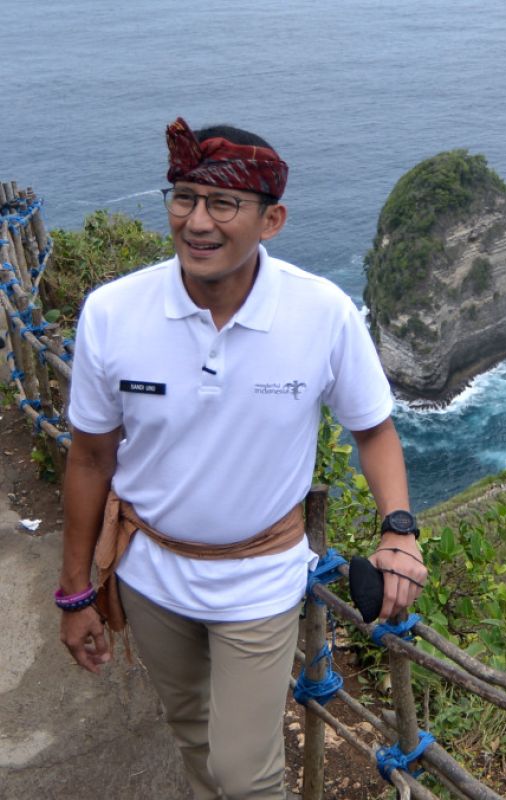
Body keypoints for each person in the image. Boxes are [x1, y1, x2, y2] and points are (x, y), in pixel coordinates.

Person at [57, 118, 427, 800]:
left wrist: (398, 528)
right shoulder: (113, 313)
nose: (197, 221)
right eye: (183, 198)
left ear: (272, 220)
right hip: (149, 571)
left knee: (245, 775)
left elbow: (373, 431)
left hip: (259, 577)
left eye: (222, 204)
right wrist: (76, 592)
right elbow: (88, 459)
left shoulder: (320, 313)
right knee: (192, 731)